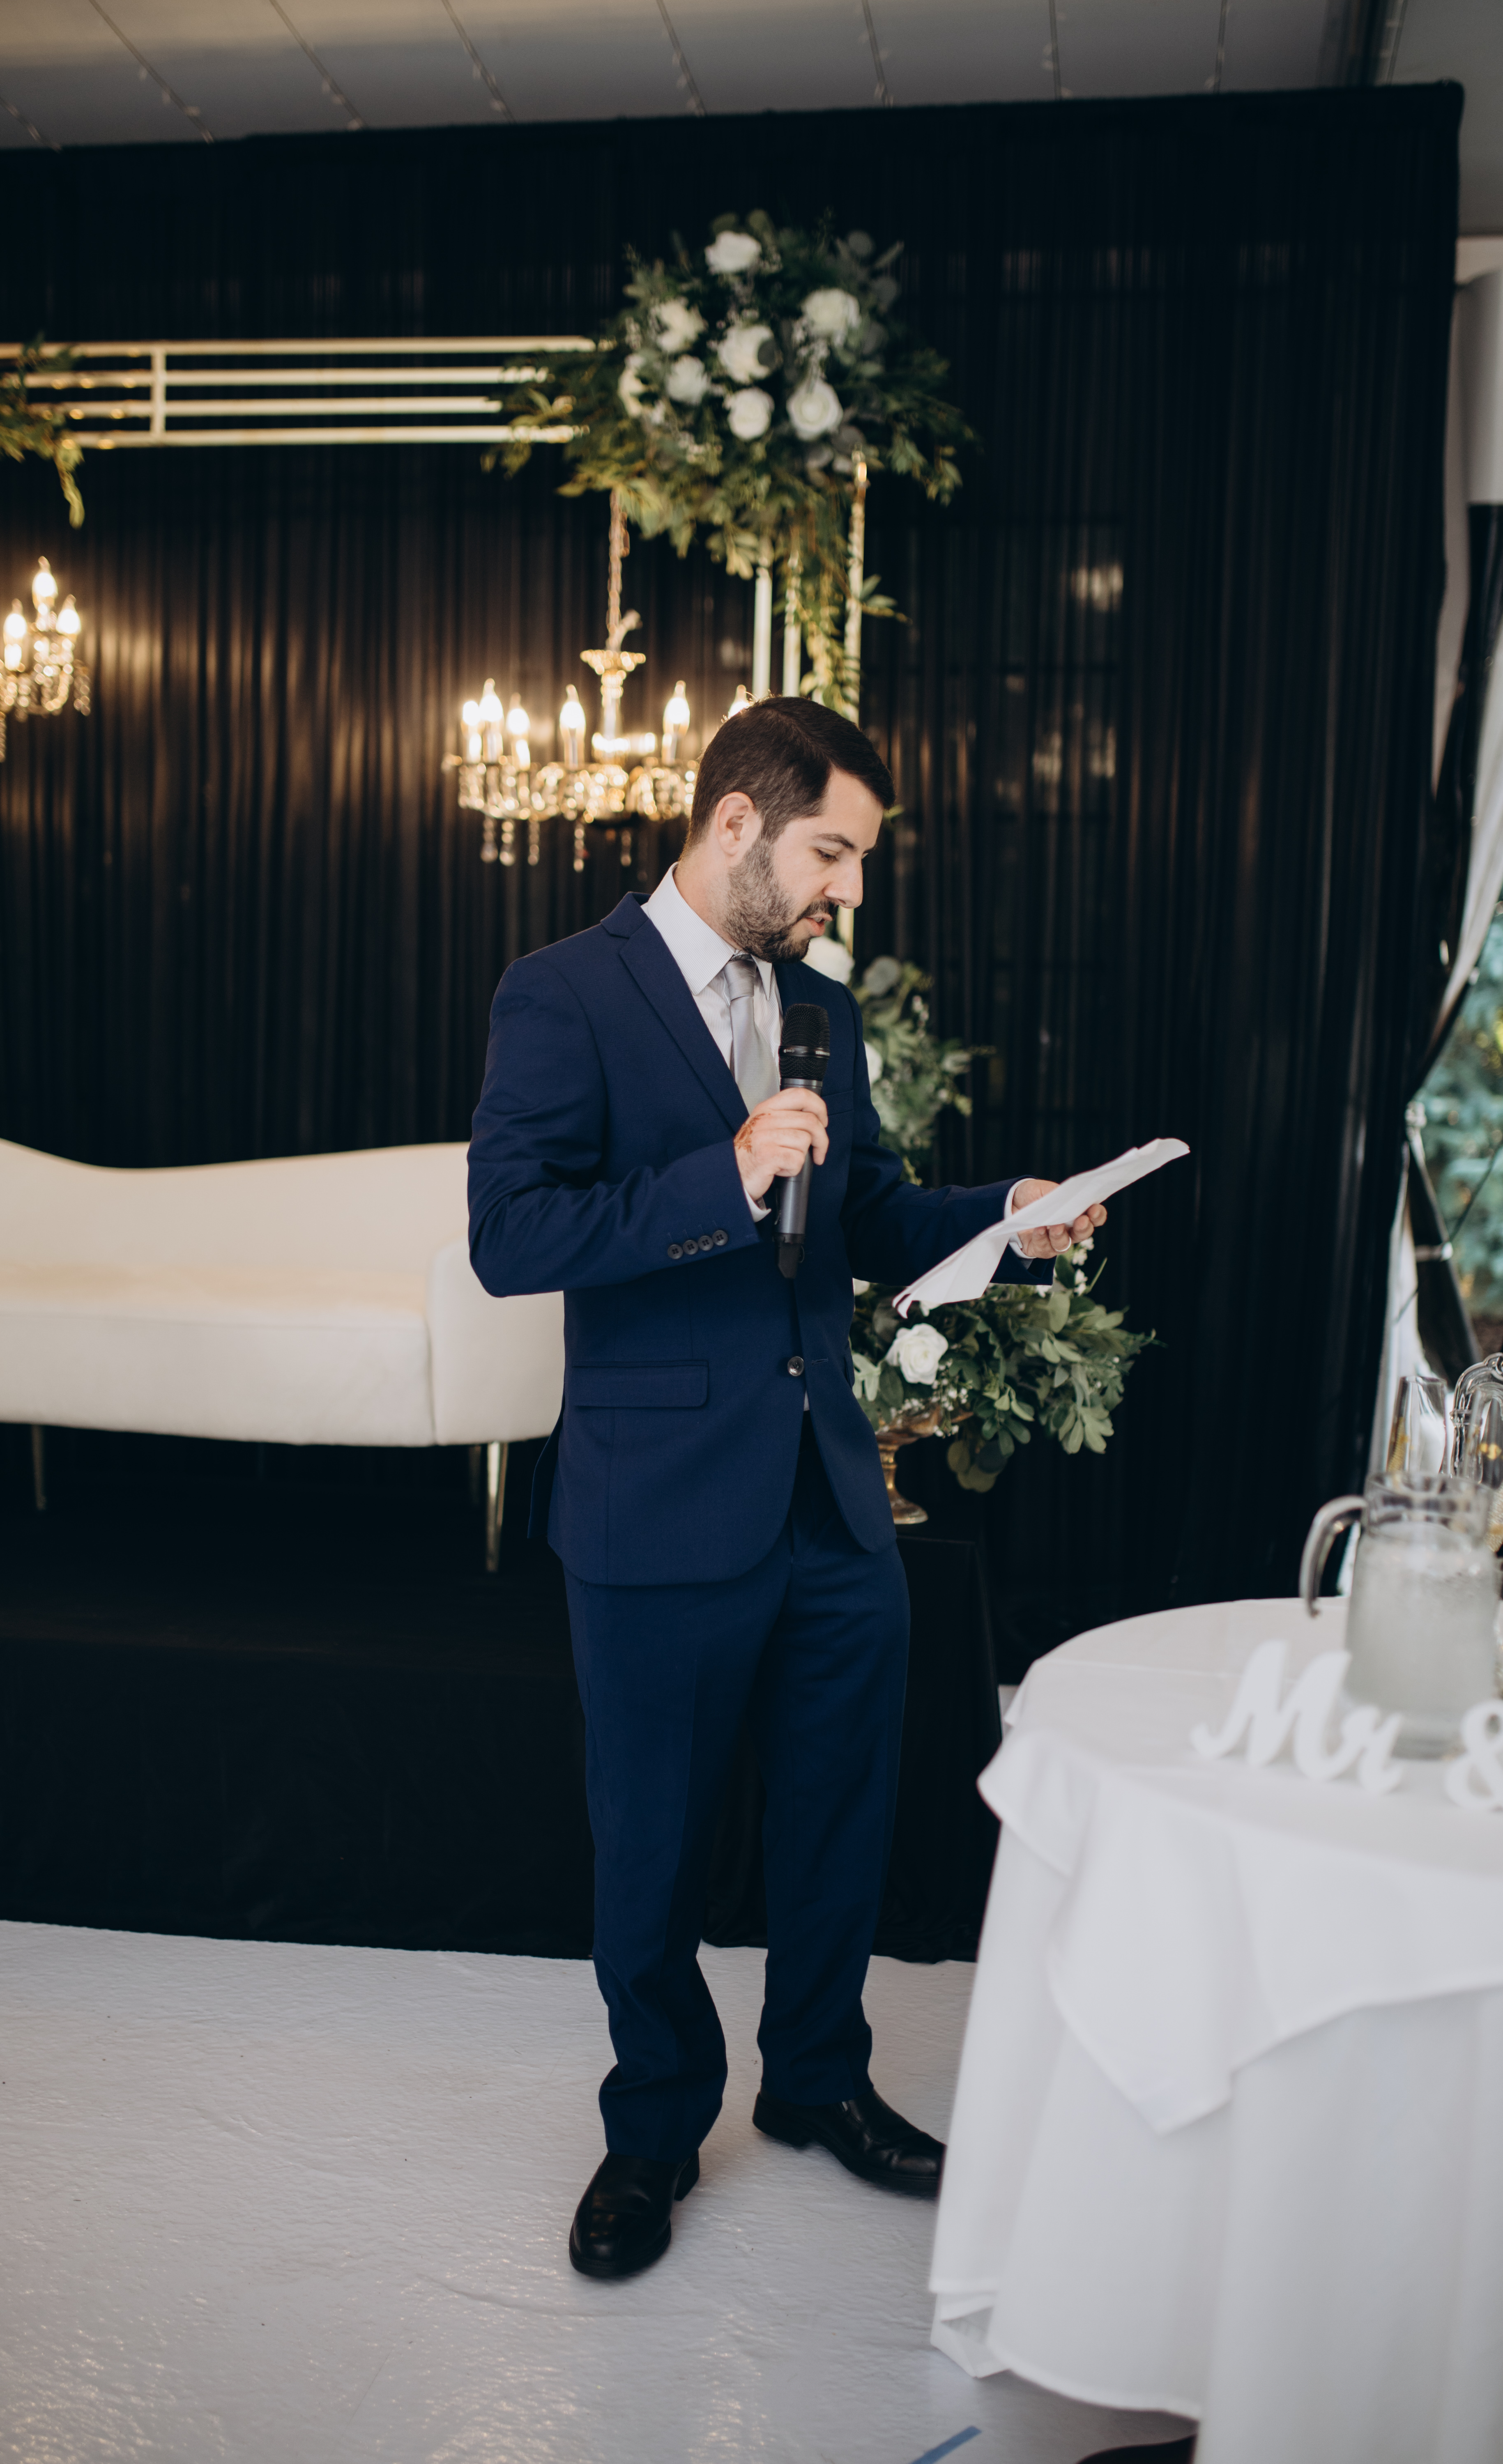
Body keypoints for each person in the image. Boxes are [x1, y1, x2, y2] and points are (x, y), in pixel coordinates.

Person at [467, 697, 1105, 2280]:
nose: (851, 891)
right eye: (833, 852)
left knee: (839, 1817)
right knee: (654, 1842)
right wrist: (727, 1173)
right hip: (656, 1495)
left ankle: (818, 2081)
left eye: (861, 861)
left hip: (830, 1495)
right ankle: (653, 2128)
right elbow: (511, 1237)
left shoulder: (821, 1009)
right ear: (738, 822)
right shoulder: (563, 991)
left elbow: (868, 1211)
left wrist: (1008, 1217)